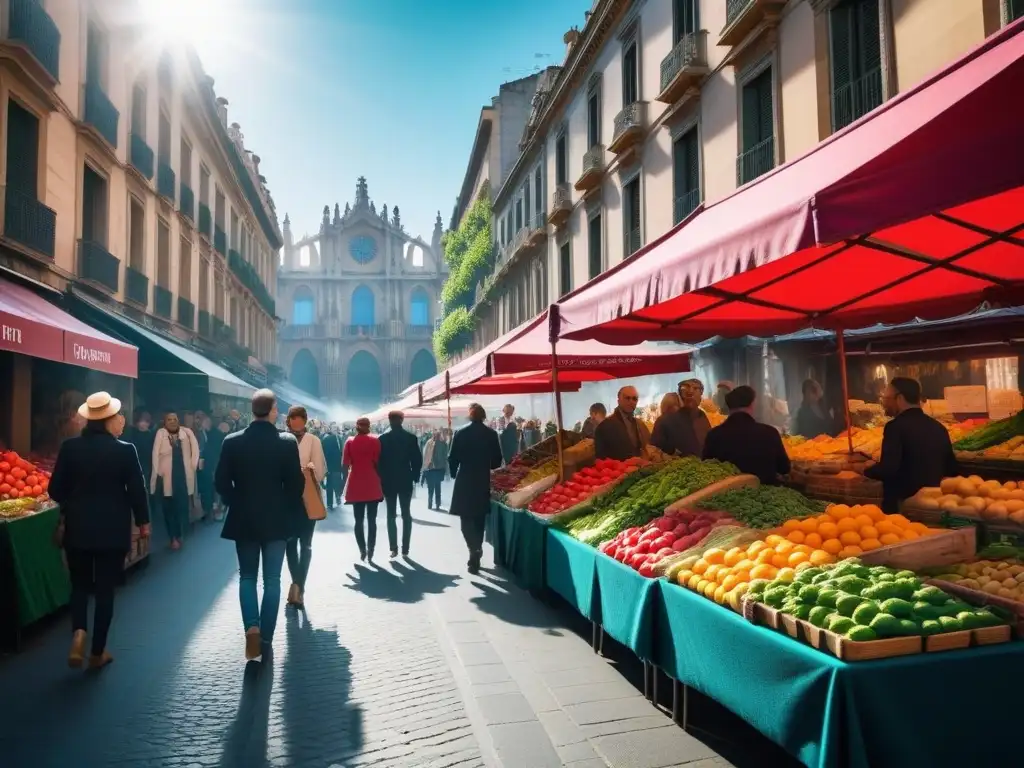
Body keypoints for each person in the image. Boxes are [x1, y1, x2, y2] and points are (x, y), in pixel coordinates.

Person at [48, 392, 150, 669]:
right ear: (107, 420)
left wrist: (74, 501)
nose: (121, 420)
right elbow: (137, 492)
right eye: (117, 416)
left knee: (79, 585)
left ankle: (79, 632)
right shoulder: (125, 450)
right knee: (105, 590)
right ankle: (97, 652)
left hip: (78, 528)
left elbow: (54, 489)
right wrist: (143, 523)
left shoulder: (70, 448)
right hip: (112, 530)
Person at [217, 389, 305, 660]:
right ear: (273, 410)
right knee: (272, 579)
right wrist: (284, 506)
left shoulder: (231, 442)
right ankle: (265, 636)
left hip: (244, 518)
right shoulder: (287, 442)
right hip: (276, 520)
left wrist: (238, 501)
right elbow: (296, 485)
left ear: (252, 411)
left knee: (246, 576)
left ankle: (251, 629)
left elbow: (220, 482)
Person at [864, 377, 959, 513]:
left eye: (887, 398)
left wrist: (866, 469)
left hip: (904, 508)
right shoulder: (939, 427)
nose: (885, 403)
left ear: (900, 398)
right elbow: (951, 468)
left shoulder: (895, 427)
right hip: (933, 506)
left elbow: (889, 468)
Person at [449, 403, 503, 574]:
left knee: (465, 518)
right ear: (484, 416)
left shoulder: (460, 432)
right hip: (482, 479)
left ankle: (473, 549)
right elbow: (496, 461)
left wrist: (453, 473)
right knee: (479, 517)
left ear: (470, 415)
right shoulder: (491, 434)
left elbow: (452, 457)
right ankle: (477, 548)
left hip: (464, 478)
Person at [703, 385, 791, 485]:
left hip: (727, 496)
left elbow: (707, 469)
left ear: (729, 406)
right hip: (766, 495)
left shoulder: (714, 435)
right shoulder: (770, 433)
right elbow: (784, 468)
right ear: (752, 404)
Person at [284, 406, 327, 608]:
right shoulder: (282, 439)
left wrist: (306, 472)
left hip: (307, 497)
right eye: (294, 418)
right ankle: (297, 585)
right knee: (291, 543)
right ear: (289, 420)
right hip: (288, 499)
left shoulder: (313, 441)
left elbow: (319, 471)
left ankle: (299, 586)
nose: (297, 422)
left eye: (300, 418)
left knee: (305, 544)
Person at [151, 412, 200, 550]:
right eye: (169, 419)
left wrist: (193, 465)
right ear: (164, 421)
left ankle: (180, 534)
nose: (172, 422)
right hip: (165, 477)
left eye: (174, 419)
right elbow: (155, 454)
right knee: (168, 509)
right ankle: (173, 537)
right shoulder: (160, 433)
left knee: (182, 508)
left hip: (182, 477)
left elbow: (195, 449)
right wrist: (157, 473)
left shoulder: (186, 432)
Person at [377, 411, 423, 558]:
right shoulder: (411, 438)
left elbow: (378, 462)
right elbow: (417, 460)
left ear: (389, 421)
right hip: (405, 479)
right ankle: (405, 548)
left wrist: (381, 478)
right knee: (406, 514)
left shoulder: (382, 439)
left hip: (389, 481)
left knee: (391, 515)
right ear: (401, 421)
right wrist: (415, 477)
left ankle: (393, 548)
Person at [343, 417, 384, 562]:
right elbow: (378, 462)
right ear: (369, 427)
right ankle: (371, 549)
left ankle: (362, 550)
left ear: (356, 427)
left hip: (356, 484)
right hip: (372, 483)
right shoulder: (375, 441)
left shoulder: (349, 442)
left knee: (358, 520)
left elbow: (345, 463)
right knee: (372, 520)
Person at [594, 386, 650, 460]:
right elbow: (600, 459)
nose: (631, 401)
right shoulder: (604, 427)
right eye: (627, 398)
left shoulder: (640, 424)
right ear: (618, 401)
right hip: (617, 469)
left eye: (634, 399)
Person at [123, 410, 156, 512]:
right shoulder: (131, 433)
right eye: (141, 421)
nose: (143, 424)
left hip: (146, 467)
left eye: (146, 421)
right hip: (133, 466)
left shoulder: (152, 436)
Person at [422, 428, 449, 510]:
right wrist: (446, 470)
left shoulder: (428, 443)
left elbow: (425, 455)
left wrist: (424, 467)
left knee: (430, 488)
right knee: (438, 487)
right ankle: (437, 503)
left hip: (430, 468)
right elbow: (445, 457)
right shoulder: (443, 444)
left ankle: (430, 503)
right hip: (439, 469)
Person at [321, 425, 345, 509]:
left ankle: (332, 502)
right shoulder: (329, 439)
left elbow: (342, 452)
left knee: (332, 483)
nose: (335, 430)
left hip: (334, 465)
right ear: (330, 429)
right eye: (334, 428)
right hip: (332, 465)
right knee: (332, 484)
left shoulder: (337, 439)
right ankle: (331, 502)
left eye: (336, 428)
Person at [196, 414, 213, 518]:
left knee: (206, 488)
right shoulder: (200, 433)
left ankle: (207, 510)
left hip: (204, 464)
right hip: (202, 464)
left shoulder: (204, 433)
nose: (208, 424)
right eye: (206, 422)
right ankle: (206, 511)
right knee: (205, 488)